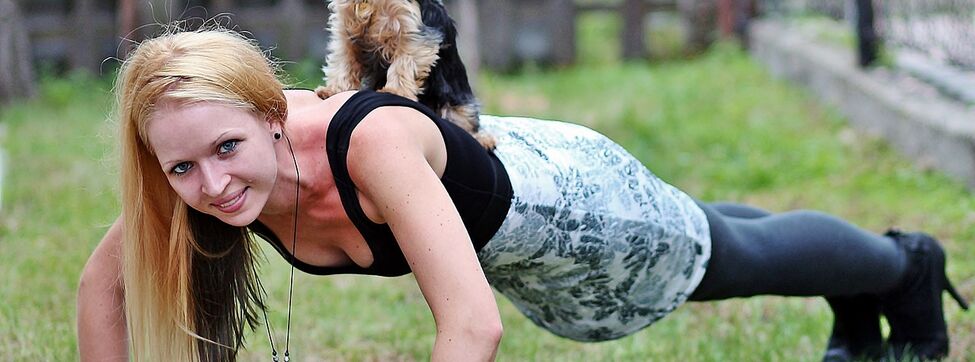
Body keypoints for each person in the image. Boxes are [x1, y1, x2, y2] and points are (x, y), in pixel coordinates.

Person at [76, 28, 968, 361]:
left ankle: (903, 269)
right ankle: (860, 301)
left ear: (276, 119)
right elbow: (100, 290)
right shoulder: (194, 173)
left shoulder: (370, 142)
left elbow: (472, 328)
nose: (212, 184)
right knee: (715, 232)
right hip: (511, 211)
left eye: (228, 148)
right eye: (181, 167)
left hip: (572, 214)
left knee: (724, 258)